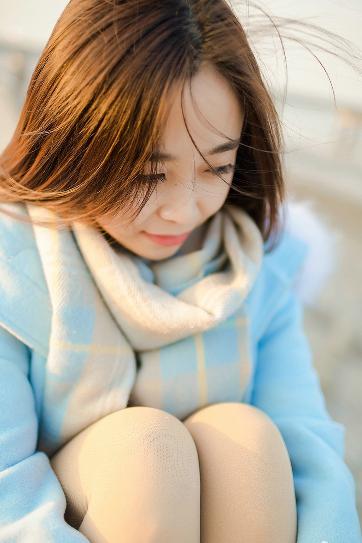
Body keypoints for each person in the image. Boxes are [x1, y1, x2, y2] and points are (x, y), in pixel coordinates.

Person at [0, 1, 360, 542]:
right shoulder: (14, 262)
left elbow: (311, 453)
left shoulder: (254, 264)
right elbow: (8, 489)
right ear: (75, 143)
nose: (184, 209)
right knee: (145, 449)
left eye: (218, 166)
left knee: (248, 439)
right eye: (148, 173)